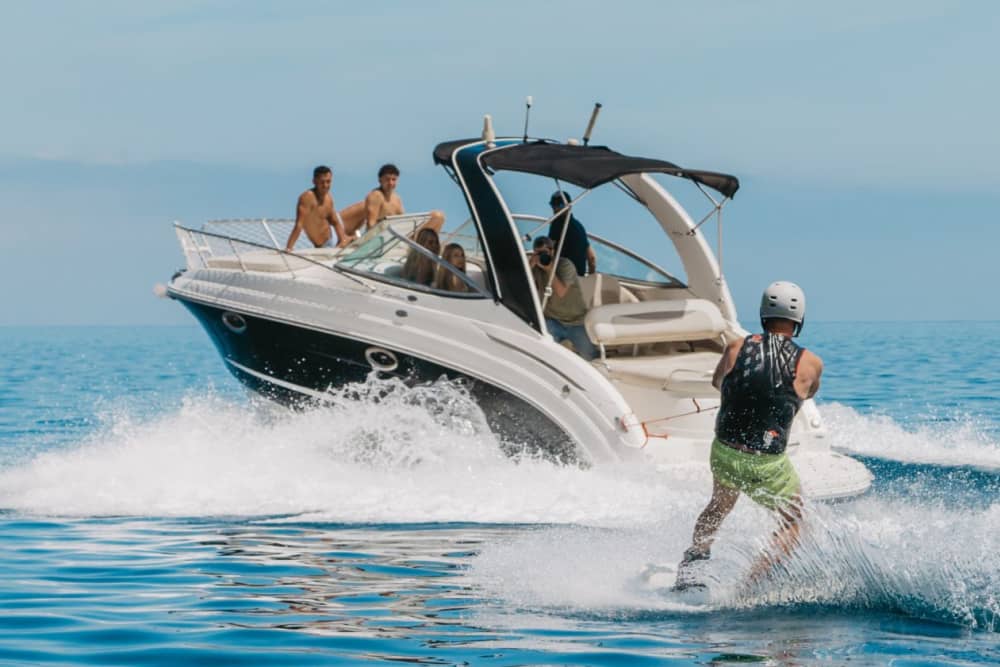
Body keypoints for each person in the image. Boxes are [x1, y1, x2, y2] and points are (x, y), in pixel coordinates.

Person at [674, 281, 822, 590]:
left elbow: (719, 382)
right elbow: (806, 393)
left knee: (719, 505)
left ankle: (692, 566)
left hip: (725, 451)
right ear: (800, 319)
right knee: (793, 520)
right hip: (766, 463)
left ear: (763, 315)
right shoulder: (810, 363)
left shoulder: (735, 347)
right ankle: (750, 586)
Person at [529, 236, 596, 360]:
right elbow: (523, 287)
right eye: (539, 253)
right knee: (542, 354)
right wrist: (529, 265)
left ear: (552, 251)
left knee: (590, 357)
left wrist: (549, 269)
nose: (543, 256)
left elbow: (561, 291)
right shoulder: (536, 268)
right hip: (553, 321)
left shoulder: (565, 265)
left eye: (545, 253)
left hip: (576, 321)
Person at [339, 163, 445, 240]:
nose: (390, 183)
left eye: (394, 179)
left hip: (396, 236)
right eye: (387, 179)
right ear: (380, 180)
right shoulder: (376, 196)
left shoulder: (397, 199)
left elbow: (405, 222)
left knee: (438, 216)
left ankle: (426, 246)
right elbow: (371, 224)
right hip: (381, 239)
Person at [284, 165, 349, 251]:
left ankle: (352, 238)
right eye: (322, 182)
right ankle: (352, 238)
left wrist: (342, 240)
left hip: (333, 240)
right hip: (324, 246)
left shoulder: (328, 199)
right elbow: (299, 224)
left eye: (328, 182)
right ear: (314, 181)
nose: (325, 185)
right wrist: (289, 248)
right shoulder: (307, 198)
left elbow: (335, 222)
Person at [548, 191, 597, 276]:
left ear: (568, 206)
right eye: (553, 205)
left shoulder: (557, 224)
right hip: (578, 281)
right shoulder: (579, 226)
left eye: (559, 205)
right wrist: (589, 281)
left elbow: (548, 251)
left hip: (562, 279)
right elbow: (592, 258)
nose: (555, 209)